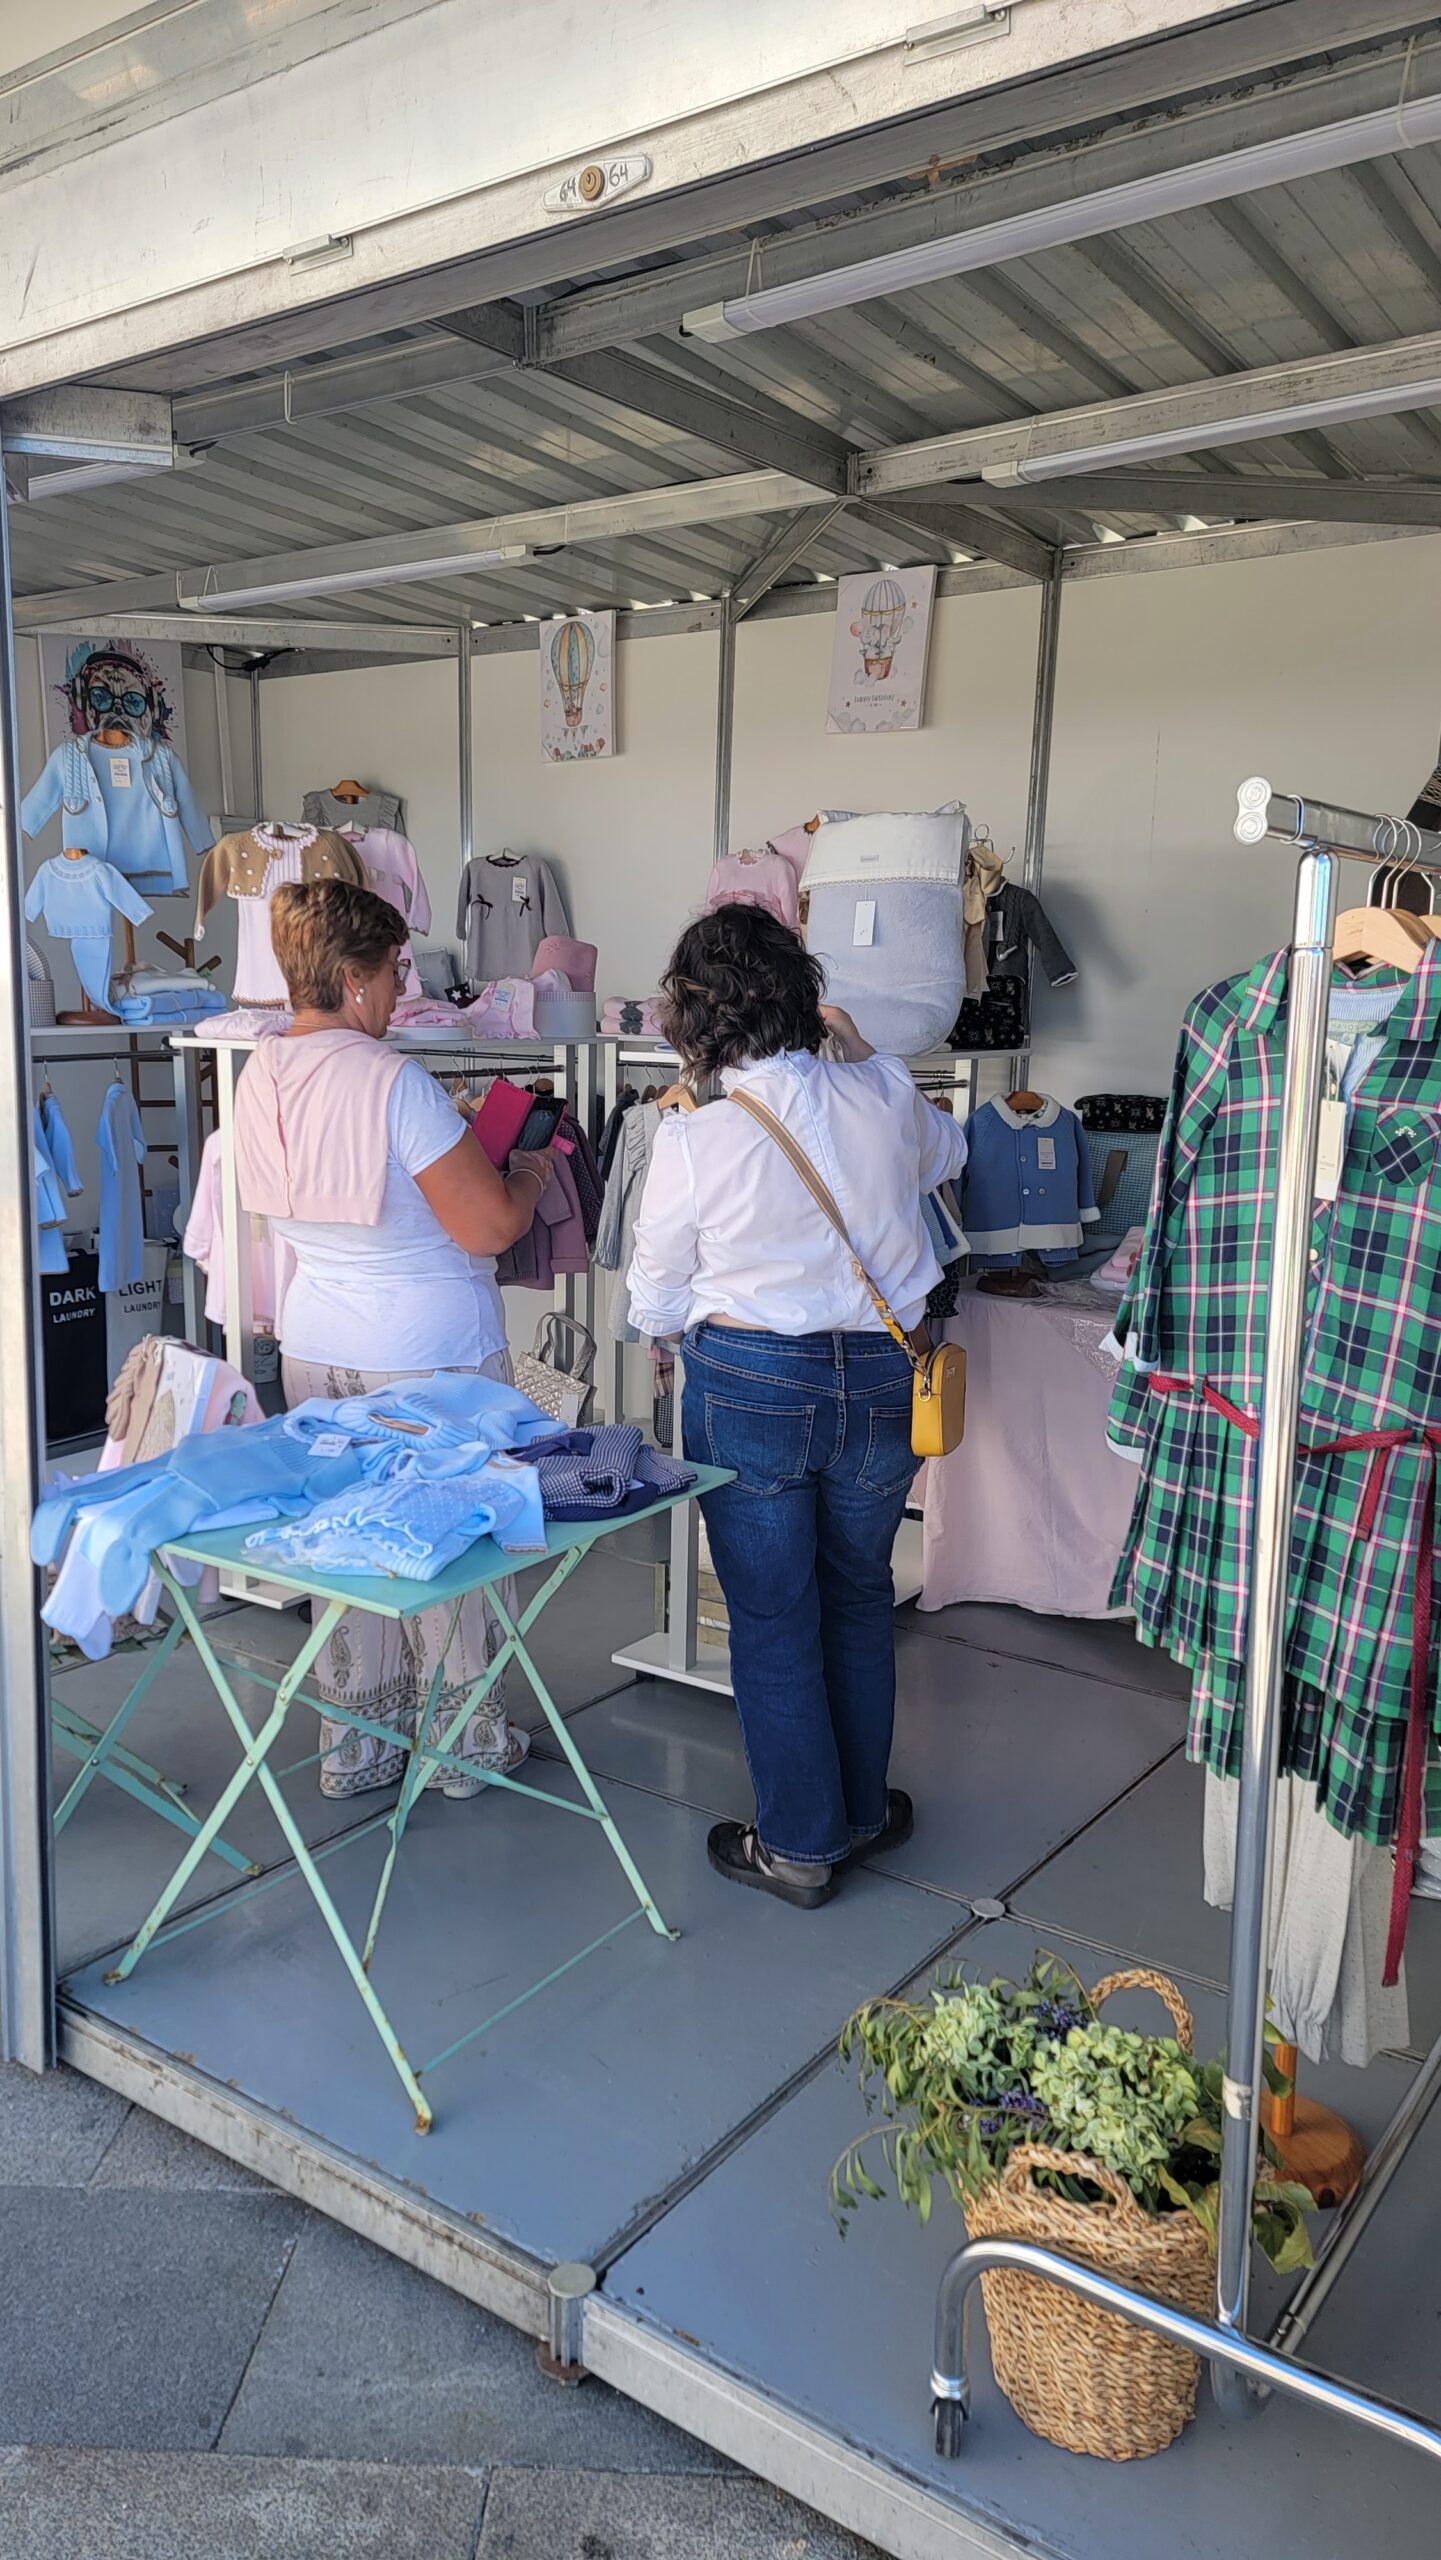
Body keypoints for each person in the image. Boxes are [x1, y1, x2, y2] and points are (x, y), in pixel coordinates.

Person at [627, 904, 967, 1908]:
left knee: (772, 1615)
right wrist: (863, 1056)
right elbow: (948, 1156)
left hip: (753, 1381)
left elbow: (653, 1300)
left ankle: (799, 1845)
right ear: (805, 997)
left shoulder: (695, 1137)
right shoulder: (885, 1090)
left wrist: (687, 1316)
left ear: (697, 1017)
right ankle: (859, 1811)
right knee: (857, 1591)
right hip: (886, 1372)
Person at [232, 879, 556, 1800]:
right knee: (450, 1548)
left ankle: (356, 1747)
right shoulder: (390, 1081)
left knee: (346, 1548)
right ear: (352, 977)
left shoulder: (260, 1072)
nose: (400, 988)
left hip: (317, 1343)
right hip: (428, 1353)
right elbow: (489, 1227)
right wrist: (528, 1175)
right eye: (393, 970)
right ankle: (464, 1745)